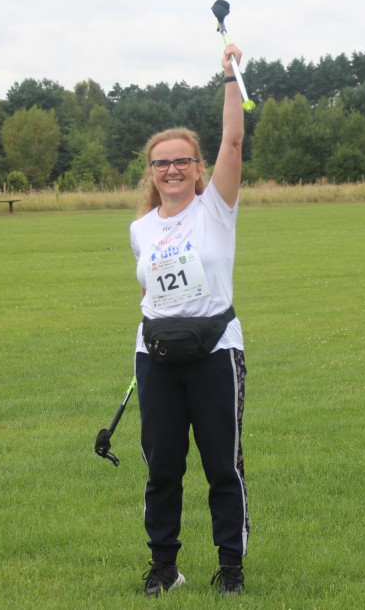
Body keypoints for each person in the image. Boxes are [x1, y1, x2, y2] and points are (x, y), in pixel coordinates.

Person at [130, 43, 249, 598]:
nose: (172, 169)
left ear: (199, 168)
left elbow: (233, 138)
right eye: (162, 163)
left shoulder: (216, 210)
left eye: (182, 161)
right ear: (151, 173)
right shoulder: (141, 229)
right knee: (162, 469)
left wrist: (230, 76)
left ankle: (230, 567)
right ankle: (164, 567)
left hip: (216, 351)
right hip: (156, 356)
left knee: (221, 465)